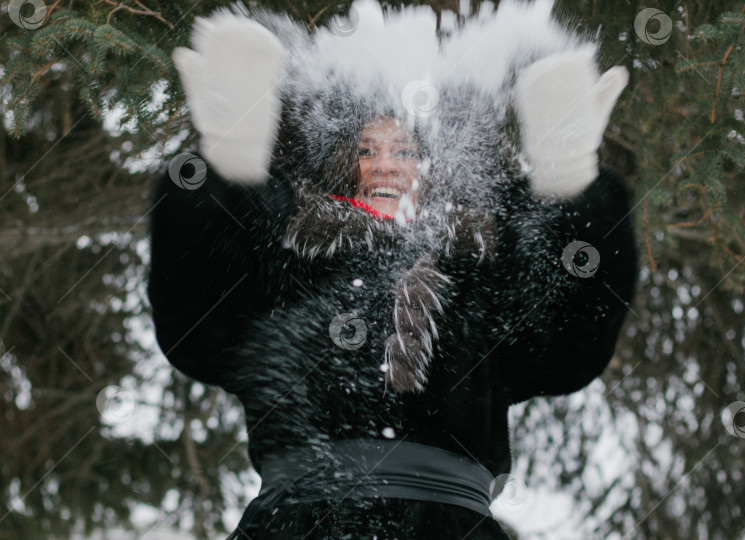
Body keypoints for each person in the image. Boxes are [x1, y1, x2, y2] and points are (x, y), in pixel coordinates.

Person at [148, 7, 638, 539]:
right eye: (366, 149)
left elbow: (569, 344)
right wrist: (229, 164)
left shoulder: (480, 269)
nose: (385, 164)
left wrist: (567, 184)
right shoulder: (287, 255)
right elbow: (198, 325)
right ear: (341, 164)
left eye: (405, 150)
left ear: (433, 170)